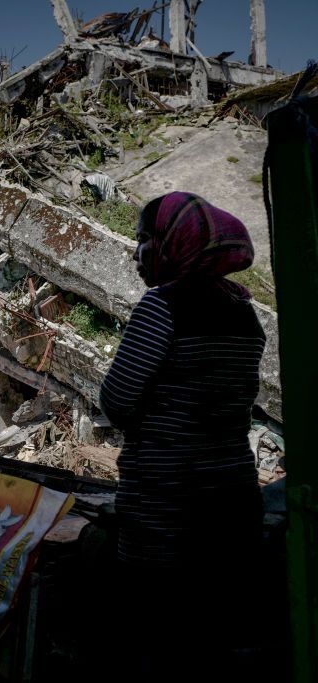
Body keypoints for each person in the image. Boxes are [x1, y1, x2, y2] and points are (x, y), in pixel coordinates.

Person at [99, 192, 265, 679]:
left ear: (172, 245)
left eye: (143, 241)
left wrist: (154, 418)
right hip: (233, 503)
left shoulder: (162, 306)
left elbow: (116, 400)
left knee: (161, 640)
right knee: (218, 639)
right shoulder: (244, 312)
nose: (136, 254)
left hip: (166, 507)